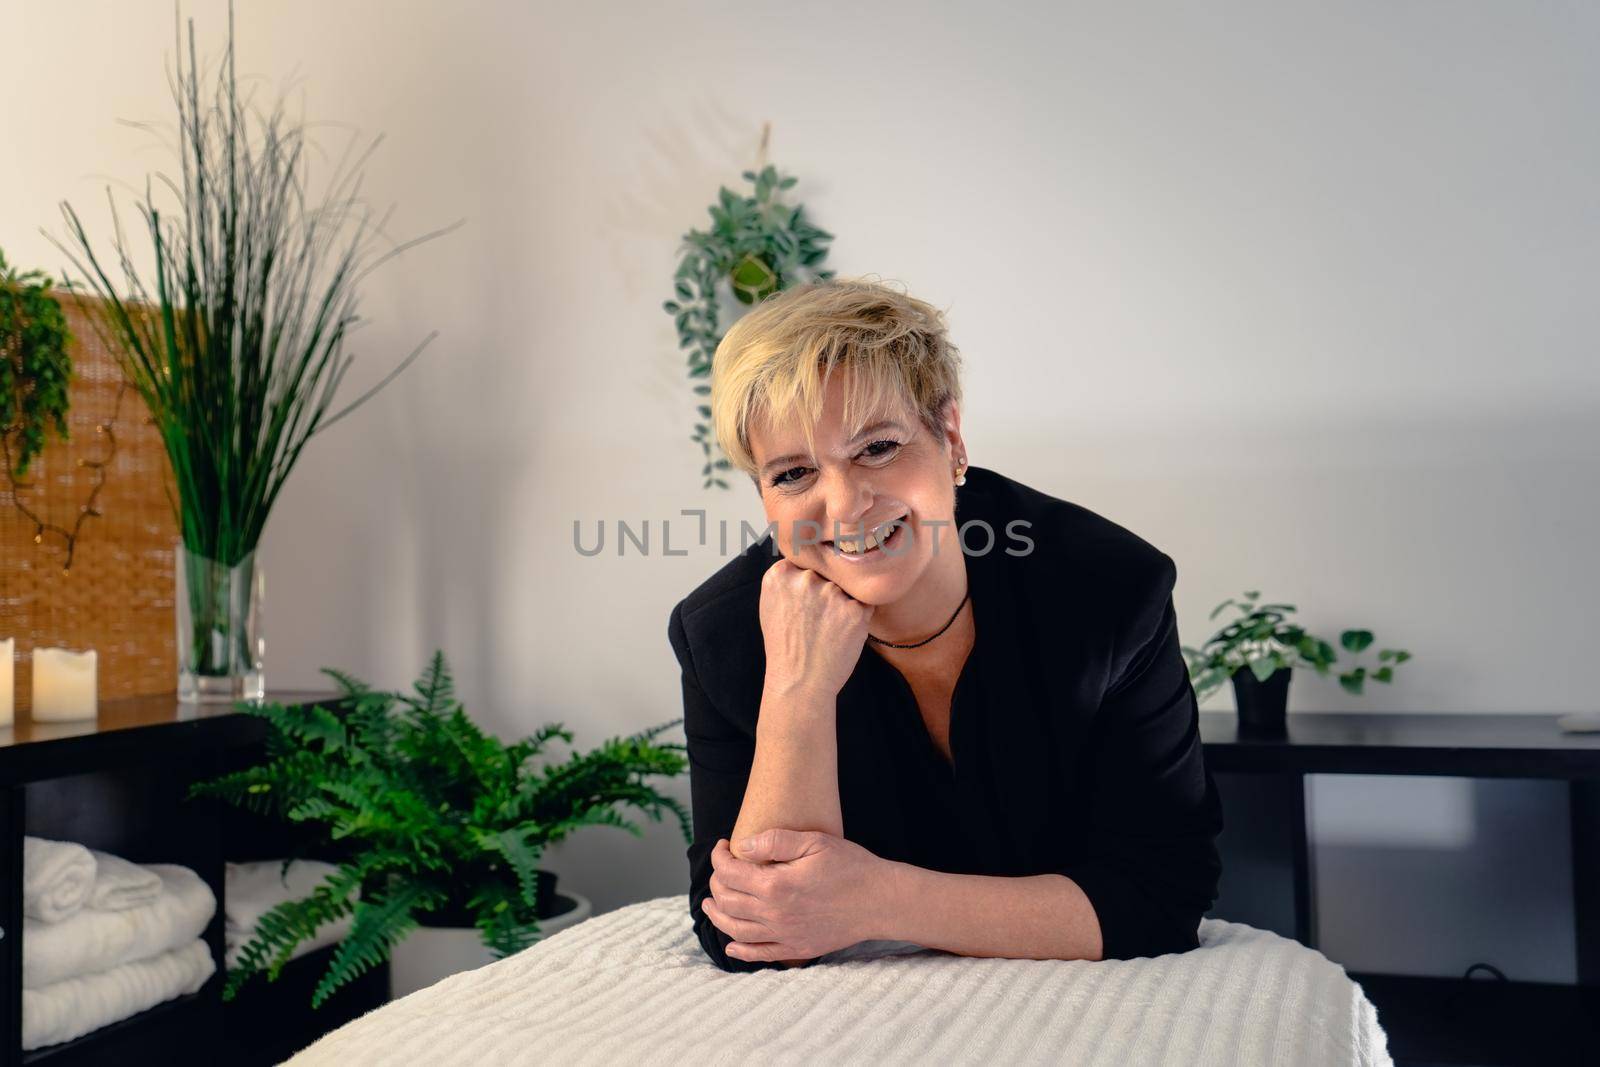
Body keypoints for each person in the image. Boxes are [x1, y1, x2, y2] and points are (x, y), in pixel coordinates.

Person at [667, 278, 1222, 973]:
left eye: (876, 448)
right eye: (794, 472)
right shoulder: (722, 637)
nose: (843, 506)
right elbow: (747, 936)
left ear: (950, 436)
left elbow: (1163, 894)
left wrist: (877, 900)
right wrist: (797, 693)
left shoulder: (1106, 593)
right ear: (763, 497)